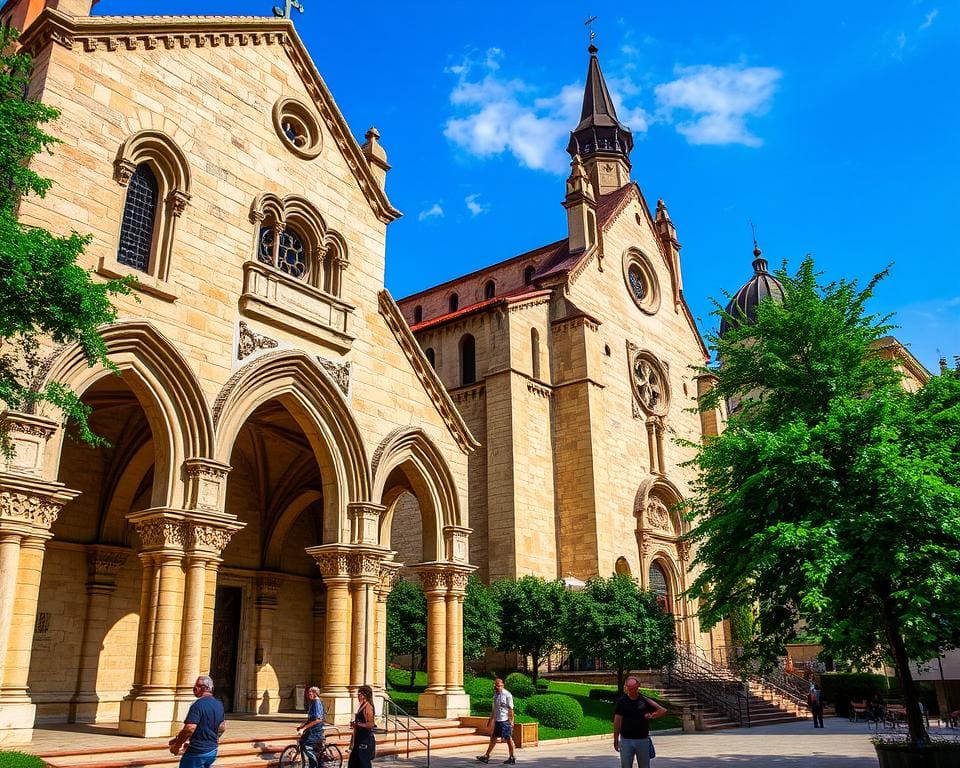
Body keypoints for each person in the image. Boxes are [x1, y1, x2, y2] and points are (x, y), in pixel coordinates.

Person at [168, 675, 226, 768]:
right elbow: (222, 727)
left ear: (199, 688)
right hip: (212, 750)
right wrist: (211, 740)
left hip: (197, 752)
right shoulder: (219, 704)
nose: (194, 690)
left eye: (194, 688)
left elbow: (190, 728)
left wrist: (177, 746)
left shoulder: (197, 705)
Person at [613, 676, 667, 768]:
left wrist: (652, 715)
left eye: (632, 688)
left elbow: (662, 710)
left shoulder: (644, 700)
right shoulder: (621, 702)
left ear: (637, 687)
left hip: (642, 740)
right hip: (626, 740)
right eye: (628, 688)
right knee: (625, 765)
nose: (630, 690)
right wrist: (615, 739)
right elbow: (617, 721)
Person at [476, 678, 515, 765]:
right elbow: (494, 710)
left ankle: (512, 757)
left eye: (499, 686)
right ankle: (486, 756)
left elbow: (511, 709)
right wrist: (490, 720)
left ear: (502, 685)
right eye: (496, 686)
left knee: (508, 739)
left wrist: (511, 721)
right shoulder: (495, 696)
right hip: (498, 720)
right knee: (493, 737)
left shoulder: (507, 695)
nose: (497, 687)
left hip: (505, 721)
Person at [297, 686, 326, 768]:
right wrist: (302, 726)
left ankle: (315, 764)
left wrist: (304, 728)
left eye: (311, 692)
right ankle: (317, 764)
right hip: (312, 730)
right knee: (312, 748)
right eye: (309, 692)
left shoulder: (317, 703)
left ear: (315, 694)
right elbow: (311, 719)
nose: (309, 694)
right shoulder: (313, 702)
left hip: (316, 731)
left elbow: (318, 719)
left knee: (305, 743)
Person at [348, 684, 376, 768]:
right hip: (358, 738)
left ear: (364, 695)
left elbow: (371, 724)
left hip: (364, 739)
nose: (357, 696)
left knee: (363, 762)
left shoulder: (368, 707)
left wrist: (357, 724)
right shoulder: (362, 705)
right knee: (354, 762)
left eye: (359, 694)